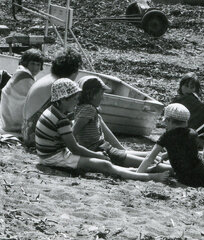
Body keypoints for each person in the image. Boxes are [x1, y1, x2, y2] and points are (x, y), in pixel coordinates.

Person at [35, 78, 167, 182]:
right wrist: (96, 155)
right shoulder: (61, 118)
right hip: (53, 157)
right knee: (105, 165)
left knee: (109, 162)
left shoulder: (53, 111)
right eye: (74, 99)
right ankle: (147, 177)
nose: (76, 102)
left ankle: (135, 171)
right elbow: (74, 148)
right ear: (63, 99)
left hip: (49, 154)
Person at [73, 77, 155, 168]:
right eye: (101, 93)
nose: (103, 97)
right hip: (101, 150)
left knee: (150, 156)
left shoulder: (81, 108)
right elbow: (73, 133)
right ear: (93, 95)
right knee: (151, 162)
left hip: (104, 148)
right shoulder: (89, 110)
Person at [137, 103, 204, 188]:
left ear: (169, 120)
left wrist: (137, 174)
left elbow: (150, 157)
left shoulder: (166, 137)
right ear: (186, 122)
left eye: (166, 122)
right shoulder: (192, 133)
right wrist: (168, 154)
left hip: (187, 180)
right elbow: (185, 149)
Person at [21, 47, 82, 148]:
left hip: (26, 131)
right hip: (35, 137)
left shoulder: (48, 78)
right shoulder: (59, 85)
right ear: (74, 72)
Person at [0, 49, 44, 134]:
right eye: (32, 64)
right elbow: (36, 100)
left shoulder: (21, 72)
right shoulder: (26, 77)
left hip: (6, 117)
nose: (35, 68)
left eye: (38, 65)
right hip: (11, 122)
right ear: (26, 63)